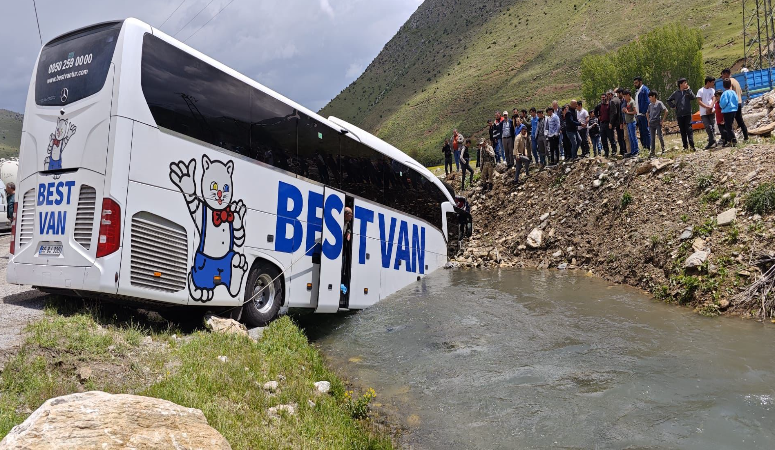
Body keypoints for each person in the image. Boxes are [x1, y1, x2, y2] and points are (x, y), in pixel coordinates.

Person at [666, 78, 697, 151]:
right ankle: (685, 147)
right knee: (683, 131)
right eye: (684, 83)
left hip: (687, 114)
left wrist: (689, 90)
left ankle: (692, 146)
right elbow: (668, 100)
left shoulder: (688, 92)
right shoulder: (676, 93)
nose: (686, 84)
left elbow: (693, 97)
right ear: (680, 84)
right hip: (679, 114)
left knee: (689, 130)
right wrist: (673, 106)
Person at [721, 68, 749, 141]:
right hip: (739, 103)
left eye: (723, 75)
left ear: (726, 74)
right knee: (740, 121)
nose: (722, 77)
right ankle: (746, 136)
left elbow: (729, 94)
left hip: (732, 106)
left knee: (729, 124)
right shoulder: (736, 81)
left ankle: (731, 140)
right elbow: (741, 92)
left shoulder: (729, 82)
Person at [697, 76, 718, 149]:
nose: (713, 84)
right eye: (712, 82)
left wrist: (711, 106)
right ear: (708, 82)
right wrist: (706, 107)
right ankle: (712, 141)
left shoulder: (712, 90)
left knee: (712, 126)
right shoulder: (701, 91)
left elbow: (714, 98)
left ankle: (712, 141)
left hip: (711, 111)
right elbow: (699, 101)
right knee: (708, 126)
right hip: (703, 112)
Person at [646, 91, 668, 157]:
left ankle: (663, 149)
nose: (649, 98)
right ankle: (652, 151)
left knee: (660, 136)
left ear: (654, 96)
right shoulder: (650, 105)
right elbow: (647, 113)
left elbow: (666, 111)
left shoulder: (659, 103)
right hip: (651, 123)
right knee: (652, 138)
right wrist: (648, 121)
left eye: (650, 97)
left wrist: (663, 120)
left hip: (657, 122)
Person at [719, 78, 740, 147]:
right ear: (730, 84)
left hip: (727, 111)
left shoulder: (725, 93)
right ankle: (731, 140)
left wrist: (721, 106)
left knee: (728, 127)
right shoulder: (733, 92)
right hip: (734, 110)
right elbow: (737, 100)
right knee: (730, 125)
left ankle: (733, 140)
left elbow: (723, 103)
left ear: (723, 86)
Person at [633, 76, 651, 150]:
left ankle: (648, 147)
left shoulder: (644, 89)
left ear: (640, 82)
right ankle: (644, 147)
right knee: (641, 132)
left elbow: (647, 101)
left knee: (646, 131)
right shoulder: (637, 91)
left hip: (643, 115)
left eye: (636, 83)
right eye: (634, 83)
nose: (635, 84)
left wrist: (644, 112)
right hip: (639, 115)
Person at [340, 206, 353, 303]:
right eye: (350, 214)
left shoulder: (347, 224)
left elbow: (348, 229)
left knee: (343, 269)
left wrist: (348, 232)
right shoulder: (340, 221)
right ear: (345, 214)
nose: (351, 216)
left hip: (343, 251)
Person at [595, 93, 615, 157]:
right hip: (602, 124)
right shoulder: (599, 105)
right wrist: (598, 116)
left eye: (604, 97)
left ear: (606, 97)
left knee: (611, 138)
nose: (603, 98)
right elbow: (595, 111)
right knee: (603, 139)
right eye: (602, 97)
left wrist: (611, 123)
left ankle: (614, 151)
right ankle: (606, 152)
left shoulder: (609, 104)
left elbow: (612, 113)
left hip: (608, 123)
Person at [622, 90, 639, 156]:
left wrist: (627, 112)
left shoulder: (632, 102)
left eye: (625, 96)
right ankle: (632, 151)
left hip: (632, 121)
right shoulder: (627, 102)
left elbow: (635, 112)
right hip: (628, 122)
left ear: (628, 95)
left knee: (633, 136)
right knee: (630, 137)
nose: (624, 97)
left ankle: (636, 151)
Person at [612, 89, 626, 156]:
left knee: (624, 137)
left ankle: (625, 151)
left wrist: (621, 122)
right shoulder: (619, 101)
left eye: (617, 93)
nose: (617, 95)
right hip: (619, 123)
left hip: (623, 122)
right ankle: (622, 151)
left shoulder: (624, 101)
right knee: (620, 138)